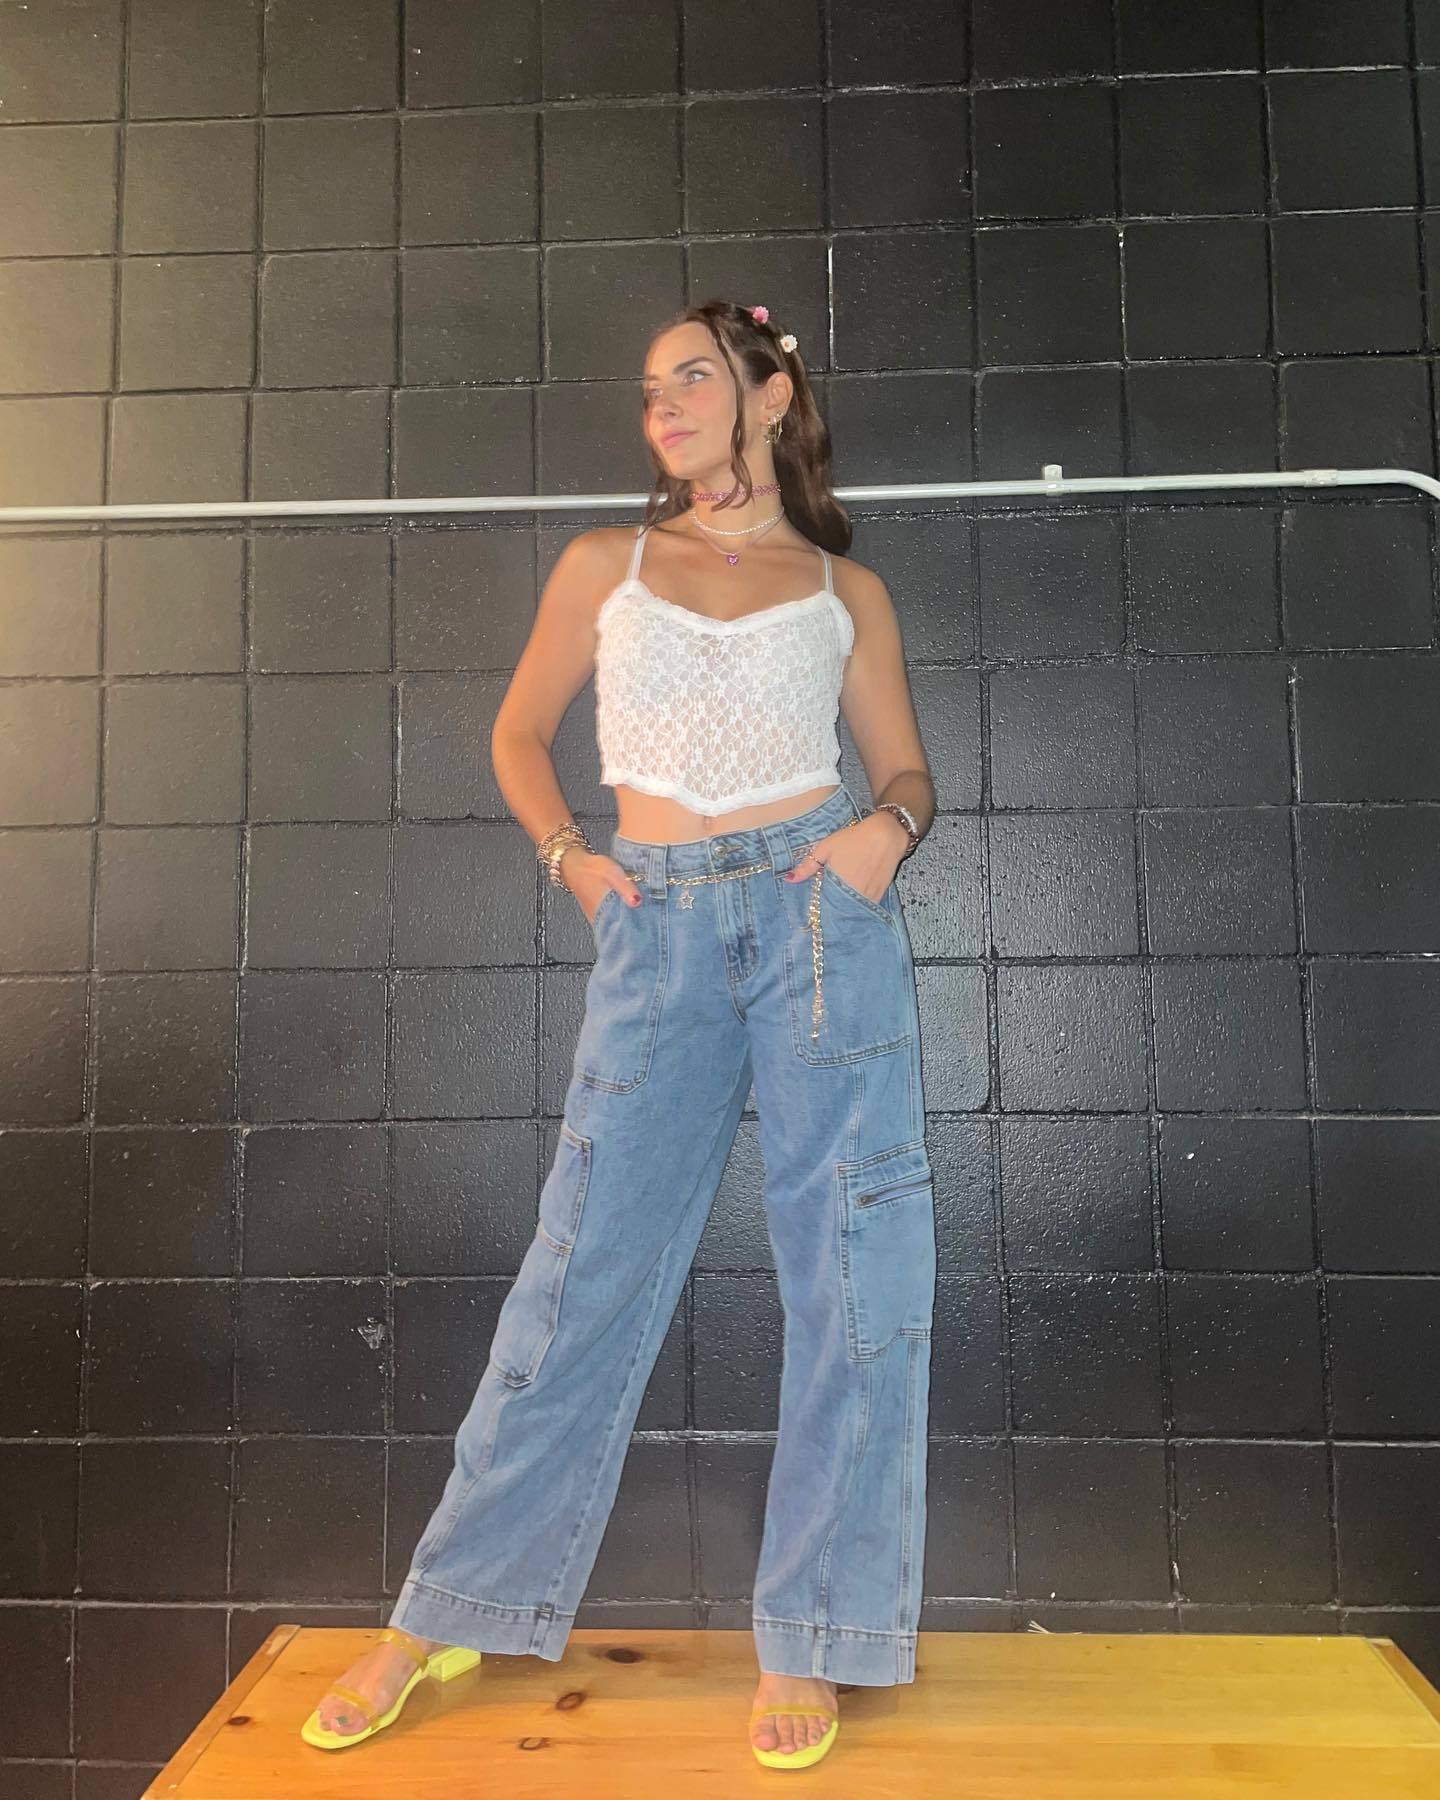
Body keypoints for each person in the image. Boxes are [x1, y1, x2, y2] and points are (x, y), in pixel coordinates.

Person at [301, 299, 937, 1770]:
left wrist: (885, 834)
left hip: (818, 921)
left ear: (770, 396)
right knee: (580, 1270)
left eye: (695, 377)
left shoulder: (845, 589)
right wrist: (573, 862)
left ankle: (817, 1631)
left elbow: (907, 769)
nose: (665, 405)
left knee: (857, 1265)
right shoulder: (608, 564)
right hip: (655, 922)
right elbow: (518, 733)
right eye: (652, 387)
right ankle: (449, 1605)